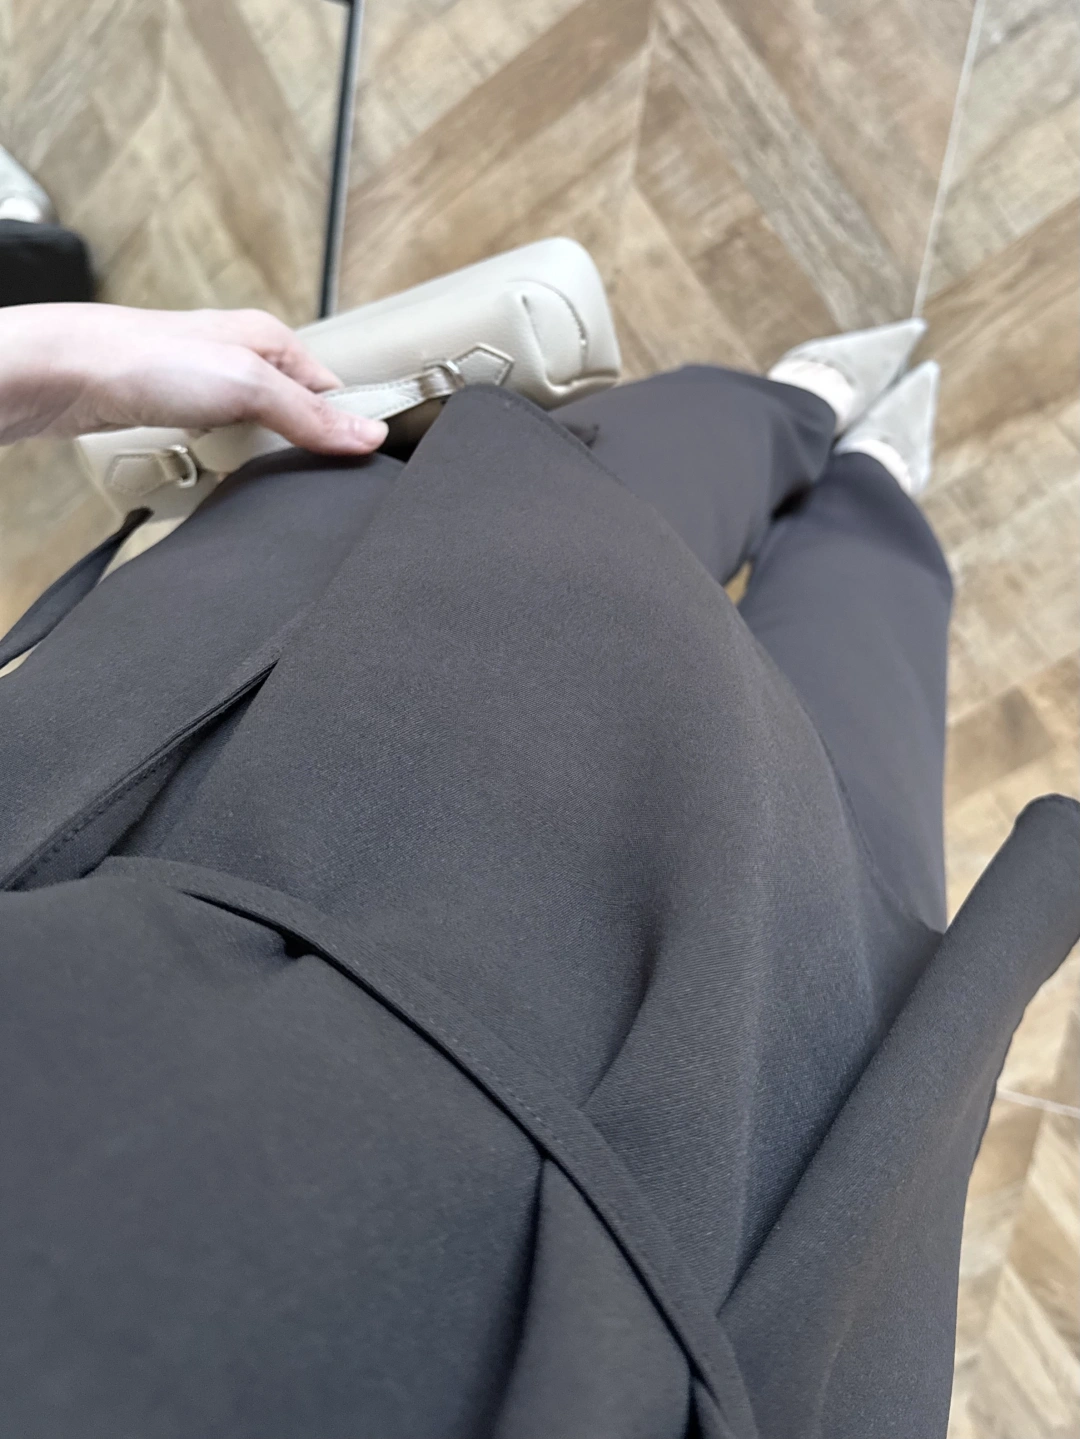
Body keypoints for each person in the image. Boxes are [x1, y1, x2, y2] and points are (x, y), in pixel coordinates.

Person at [0, 154, 1077, 1439]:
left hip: (137, 882)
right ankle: (863, 483)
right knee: (849, 764)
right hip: (639, 1285)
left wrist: (45, 363)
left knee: (608, 507)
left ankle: (796, 419)